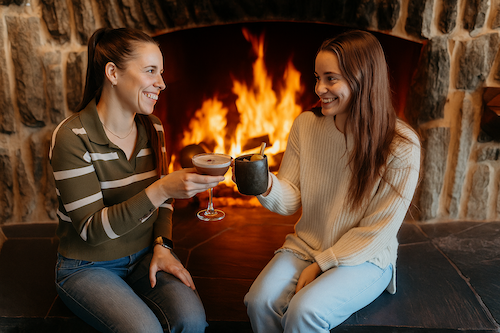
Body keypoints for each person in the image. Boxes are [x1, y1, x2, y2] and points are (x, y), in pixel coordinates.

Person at [242, 30, 421, 333]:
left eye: (330, 79)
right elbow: (291, 199)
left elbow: (377, 231)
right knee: (258, 302)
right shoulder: (307, 126)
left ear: (362, 79)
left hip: (365, 257)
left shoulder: (402, 146)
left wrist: (322, 264)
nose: (319, 88)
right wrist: (264, 183)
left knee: (304, 312)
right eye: (317, 77)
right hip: (307, 245)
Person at [49, 27, 224, 333]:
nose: (162, 83)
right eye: (150, 71)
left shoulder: (153, 128)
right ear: (113, 73)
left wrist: (162, 246)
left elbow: (165, 202)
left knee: (192, 321)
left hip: (145, 255)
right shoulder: (71, 137)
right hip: (87, 266)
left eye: (161, 72)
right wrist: (160, 189)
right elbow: (92, 229)